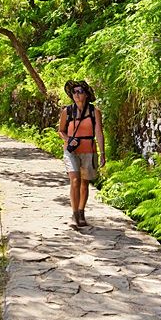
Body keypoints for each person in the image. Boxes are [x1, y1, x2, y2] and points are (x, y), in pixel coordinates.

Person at [58, 80, 105, 227]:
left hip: (88, 149)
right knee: (75, 181)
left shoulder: (94, 112)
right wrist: (68, 139)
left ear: (86, 94)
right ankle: (75, 214)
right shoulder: (67, 111)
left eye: (80, 92)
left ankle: (81, 211)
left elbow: (98, 132)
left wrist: (102, 152)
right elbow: (61, 130)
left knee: (85, 183)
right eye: (74, 92)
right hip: (71, 150)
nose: (77, 94)